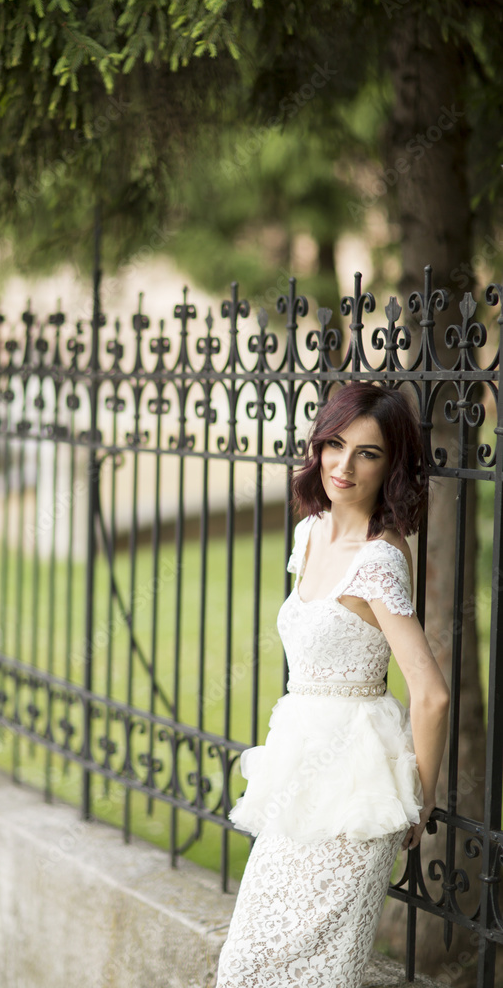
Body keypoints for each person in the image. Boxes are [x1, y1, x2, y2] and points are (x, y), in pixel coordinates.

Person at [215, 382, 450, 988]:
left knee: (310, 972)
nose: (343, 466)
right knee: (245, 963)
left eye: (367, 453)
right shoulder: (310, 532)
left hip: (353, 786)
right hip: (298, 773)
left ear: (391, 465)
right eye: (336, 444)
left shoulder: (378, 560)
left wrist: (418, 804)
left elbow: (431, 692)